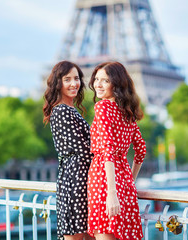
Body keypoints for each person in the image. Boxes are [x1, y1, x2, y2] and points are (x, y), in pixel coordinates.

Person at [87, 61, 147, 240]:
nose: (98, 84)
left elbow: (107, 149)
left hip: (103, 182)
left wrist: (111, 192)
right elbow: (141, 150)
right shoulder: (127, 112)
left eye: (105, 81)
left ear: (116, 84)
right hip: (125, 183)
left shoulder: (103, 107)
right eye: (96, 79)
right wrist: (130, 182)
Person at [43, 61, 94, 240]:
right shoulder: (63, 111)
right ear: (58, 83)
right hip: (77, 181)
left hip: (76, 178)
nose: (74, 83)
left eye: (76, 78)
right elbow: (84, 151)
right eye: (67, 79)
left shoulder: (69, 109)